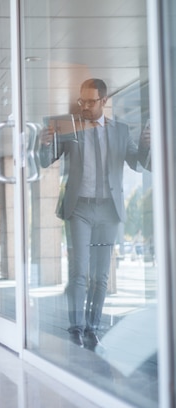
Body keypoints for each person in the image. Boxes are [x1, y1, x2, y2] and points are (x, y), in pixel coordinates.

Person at [39, 78, 151, 350]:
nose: (85, 106)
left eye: (91, 101)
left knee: (101, 276)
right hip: (79, 208)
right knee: (79, 272)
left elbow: (137, 165)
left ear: (104, 101)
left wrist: (146, 144)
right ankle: (75, 328)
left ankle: (93, 327)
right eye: (82, 101)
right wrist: (45, 143)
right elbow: (45, 161)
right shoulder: (69, 128)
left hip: (108, 210)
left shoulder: (121, 131)